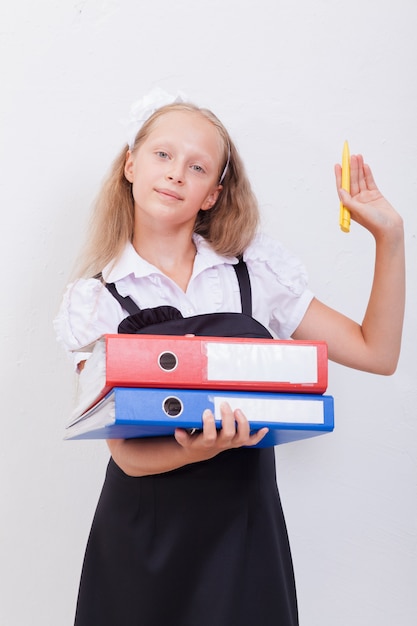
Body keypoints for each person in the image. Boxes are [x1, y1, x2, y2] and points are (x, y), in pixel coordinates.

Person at [54, 89, 405, 626]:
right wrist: (197, 453)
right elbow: (123, 455)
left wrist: (390, 237)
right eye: (162, 155)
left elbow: (377, 352)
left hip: (243, 536)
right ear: (130, 164)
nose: (175, 173)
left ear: (213, 195)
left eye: (197, 166)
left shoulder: (254, 274)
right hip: (141, 543)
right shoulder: (94, 298)